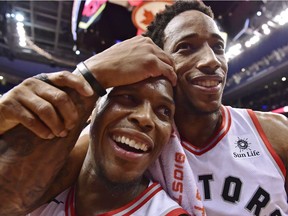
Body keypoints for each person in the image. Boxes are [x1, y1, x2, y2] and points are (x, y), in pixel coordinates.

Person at [1, 1, 288, 215]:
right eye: (186, 47)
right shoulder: (125, 139)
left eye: (218, 47)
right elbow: (10, 199)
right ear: (157, 62)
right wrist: (91, 75)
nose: (211, 60)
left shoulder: (272, 132)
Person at [0, 36, 192, 216]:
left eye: (164, 111)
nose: (144, 118)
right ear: (92, 109)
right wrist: (90, 75)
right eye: (127, 98)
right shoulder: (47, 179)